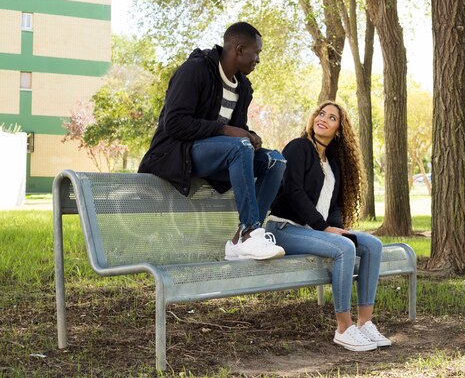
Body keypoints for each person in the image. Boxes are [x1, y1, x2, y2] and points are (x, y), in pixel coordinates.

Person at [138, 22, 286, 261]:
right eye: (256, 52)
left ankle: (242, 238)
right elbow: (174, 123)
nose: (258, 59)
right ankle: (249, 231)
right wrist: (229, 131)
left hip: (221, 154)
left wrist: (249, 135)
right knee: (240, 146)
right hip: (178, 153)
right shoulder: (195, 70)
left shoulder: (243, 87)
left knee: (274, 160)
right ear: (238, 49)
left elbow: (233, 130)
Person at [266, 101, 391, 351]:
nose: (323, 118)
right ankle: (343, 328)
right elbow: (293, 191)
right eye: (321, 114)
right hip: (283, 229)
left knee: (373, 245)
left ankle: (364, 323)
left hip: (312, 230)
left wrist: (337, 227)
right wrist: (323, 228)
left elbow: (333, 205)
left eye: (332, 118)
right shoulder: (298, 147)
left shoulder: (333, 162)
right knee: (344, 248)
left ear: (339, 129)